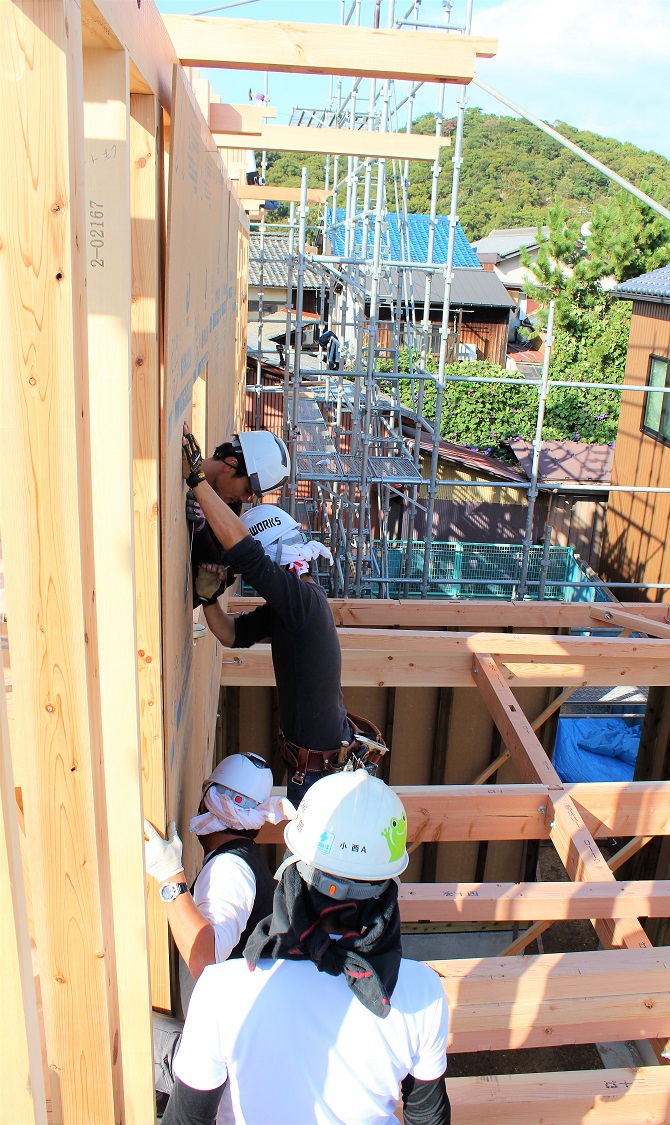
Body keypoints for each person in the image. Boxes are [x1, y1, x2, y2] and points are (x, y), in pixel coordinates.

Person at [163, 770, 451, 1125]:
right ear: (387, 888)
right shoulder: (421, 992)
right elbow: (427, 1118)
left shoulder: (222, 990)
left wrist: (169, 881)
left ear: (293, 872)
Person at [183, 425, 387, 806]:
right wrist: (208, 599)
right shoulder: (292, 608)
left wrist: (197, 481)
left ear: (274, 553)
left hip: (321, 774)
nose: (251, 579)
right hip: (315, 768)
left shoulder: (303, 601)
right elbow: (231, 634)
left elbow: (250, 559)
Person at [144, 754, 293, 1104]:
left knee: (112, 1032)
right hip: (236, 1054)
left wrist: (169, 877)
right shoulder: (241, 861)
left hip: (223, 1064)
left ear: (208, 800)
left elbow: (205, 960)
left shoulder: (231, 869)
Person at [185, 427, 290, 608]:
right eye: (247, 490)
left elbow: (219, 561)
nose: (244, 499)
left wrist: (201, 528)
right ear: (230, 464)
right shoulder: (181, 460)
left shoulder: (231, 506)